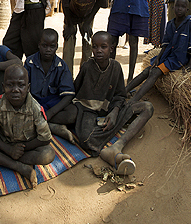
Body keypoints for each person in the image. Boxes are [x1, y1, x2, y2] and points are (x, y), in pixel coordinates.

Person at [46, 31, 155, 176]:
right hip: (86, 110)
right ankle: (105, 145)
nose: (98, 50)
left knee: (147, 107)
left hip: (109, 109)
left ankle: (117, 146)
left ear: (111, 48)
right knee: (86, 140)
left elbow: (120, 95)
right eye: (95, 47)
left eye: (103, 47)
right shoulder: (87, 66)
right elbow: (75, 91)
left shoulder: (116, 67)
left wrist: (115, 111)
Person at [0, 64, 55, 187]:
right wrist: (9, 150)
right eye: (10, 85)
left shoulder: (35, 108)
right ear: (3, 87)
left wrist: (20, 149)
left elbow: (45, 138)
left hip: (26, 146)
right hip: (4, 143)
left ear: (28, 88)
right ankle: (20, 167)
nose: (15, 89)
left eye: (21, 85)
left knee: (48, 154)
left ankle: (0, 158)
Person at [126, 0, 191, 104]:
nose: (179, 9)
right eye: (177, 6)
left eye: (183, 7)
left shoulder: (190, 24)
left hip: (178, 59)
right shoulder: (170, 24)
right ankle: (123, 91)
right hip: (167, 57)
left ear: (187, 9)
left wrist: (189, 65)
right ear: (173, 7)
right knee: (147, 71)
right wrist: (158, 58)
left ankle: (134, 100)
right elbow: (165, 45)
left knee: (154, 73)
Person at [61, 0, 107, 70]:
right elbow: (65, 3)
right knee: (68, 43)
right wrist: (69, 25)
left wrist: (87, 22)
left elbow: (99, 3)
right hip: (71, 14)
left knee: (88, 44)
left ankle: (85, 74)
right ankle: (67, 76)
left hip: (87, 15)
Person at [24, 29, 75, 121]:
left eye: (52, 46)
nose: (48, 50)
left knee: (72, 113)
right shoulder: (30, 63)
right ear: (39, 45)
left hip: (53, 104)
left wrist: (51, 113)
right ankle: (43, 121)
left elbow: (68, 95)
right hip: (33, 102)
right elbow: (22, 88)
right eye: (44, 46)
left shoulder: (61, 66)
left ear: (56, 47)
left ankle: (40, 120)